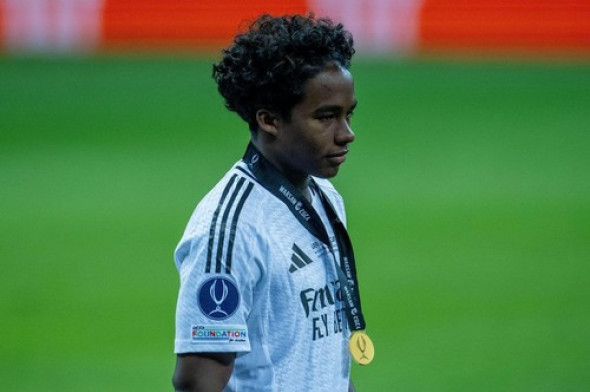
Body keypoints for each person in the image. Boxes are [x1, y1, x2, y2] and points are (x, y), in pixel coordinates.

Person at [172, 13, 371, 392]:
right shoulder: (230, 229)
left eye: (349, 115)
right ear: (269, 120)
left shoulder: (325, 197)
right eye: (326, 117)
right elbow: (198, 380)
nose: (347, 134)